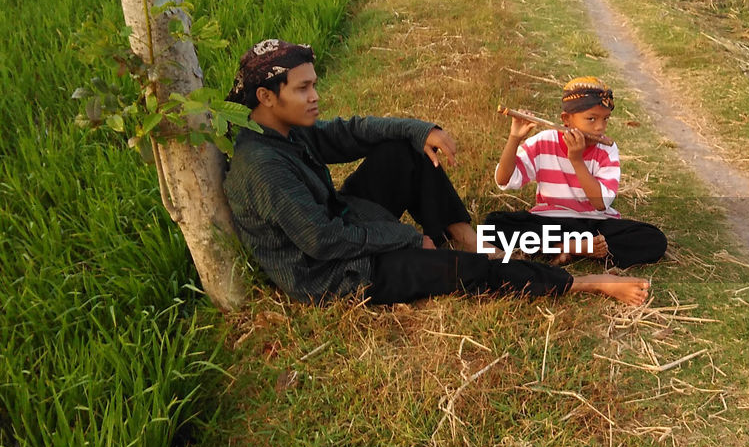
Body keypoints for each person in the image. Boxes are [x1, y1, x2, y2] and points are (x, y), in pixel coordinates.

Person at [222, 39, 650, 306]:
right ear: (266, 96)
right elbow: (322, 241)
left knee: (401, 150)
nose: (315, 96)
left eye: (314, 84)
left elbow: (356, 131)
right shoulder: (261, 165)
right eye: (303, 88)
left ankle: (466, 239)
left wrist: (422, 130)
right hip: (336, 274)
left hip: (345, 222)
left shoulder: (288, 130)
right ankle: (583, 284)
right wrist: (409, 238)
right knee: (462, 273)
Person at [484, 77, 667, 268]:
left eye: (605, 119)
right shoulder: (544, 141)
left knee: (654, 239)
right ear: (566, 119)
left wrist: (576, 160)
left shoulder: (607, 150)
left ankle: (561, 248)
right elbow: (503, 179)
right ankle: (572, 247)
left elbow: (600, 203)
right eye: (591, 119)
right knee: (493, 225)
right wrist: (514, 138)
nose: (600, 127)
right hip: (550, 221)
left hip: (594, 224)